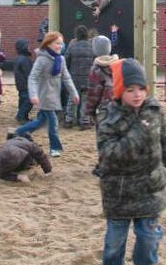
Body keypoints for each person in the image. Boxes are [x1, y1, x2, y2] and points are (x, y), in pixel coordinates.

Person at [98, 58, 166, 265]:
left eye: (141, 88)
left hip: (149, 188)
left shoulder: (154, 110)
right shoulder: (108, 117)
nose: (137, 94)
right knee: (114, 243)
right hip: (118, 192)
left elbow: (164, 136)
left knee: (148, 240)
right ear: (119, 91)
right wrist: (139, 132)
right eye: (130, 89)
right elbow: (109, 153)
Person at [13, 31, 79, 157]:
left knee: (40, 121)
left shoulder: (61, 59)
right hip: (43, 95)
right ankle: (54, 148)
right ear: (48, 44)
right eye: (57, 43)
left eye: (61, 43)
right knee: (53, 122)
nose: (60, 46)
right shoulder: (42, 59)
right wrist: (33, 94)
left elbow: (67, 78)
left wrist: (74, 93)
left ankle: (19, 132)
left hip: (54, 95)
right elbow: (32, 78)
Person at [85, 35, 118, 176]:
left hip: (104, 109)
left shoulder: (96, 69)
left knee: (103, 138)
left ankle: (104, 166)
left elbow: (94, 92)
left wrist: (90, 111)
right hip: (119, 106)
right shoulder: (118, 65)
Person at [64, 25, 94, 129]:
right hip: (88, 78)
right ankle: (84, 122)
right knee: (86, 100)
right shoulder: (92, 46)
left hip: (74, 78)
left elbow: (66, 60)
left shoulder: (72, 45)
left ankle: (69, 120)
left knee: (72, 99)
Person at [13, 38, 33, 124]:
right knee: (28, 101)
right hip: (25, 84)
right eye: (27, 46)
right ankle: (20, 116)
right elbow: (28, 73)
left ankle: (25, 117)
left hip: (20, 84)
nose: (29, 47)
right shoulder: (24, 59)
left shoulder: (19, 58)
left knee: (22, 100)